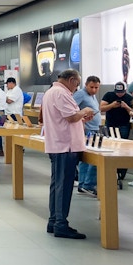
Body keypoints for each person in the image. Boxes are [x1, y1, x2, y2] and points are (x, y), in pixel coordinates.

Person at [40, 69, 94, 239]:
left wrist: (80, 117)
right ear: (71, 80)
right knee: (64, 186)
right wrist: (84, 111)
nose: (76, 89)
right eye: (76, 85)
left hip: (58, 144)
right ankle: (61, 224)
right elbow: (71, 117)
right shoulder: (62, 93)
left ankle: (54, 220)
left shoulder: (50, 92)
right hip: (66, 146)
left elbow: (64, 117)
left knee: (57, 184)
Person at [72, 75, 101, 196]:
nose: (94, 90)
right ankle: (88, 184)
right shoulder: (80, 94)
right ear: (86, 85)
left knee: (86, 159)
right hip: (87, 129)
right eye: (92, 87)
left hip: (94, 129)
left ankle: (83, 184)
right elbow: (73, 109)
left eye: (96, 87)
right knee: (92, 159)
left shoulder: (92, 96)